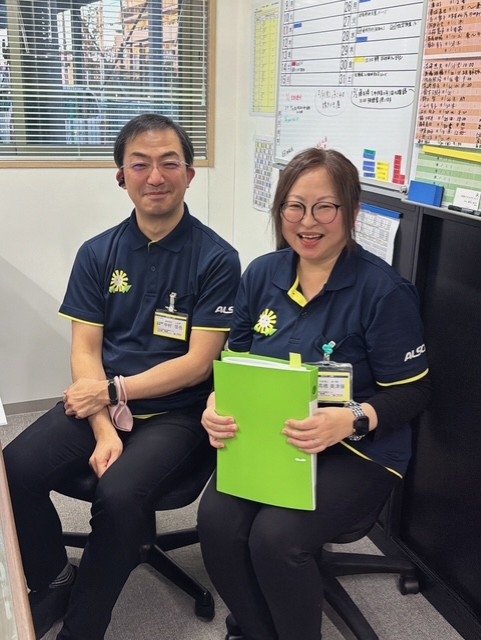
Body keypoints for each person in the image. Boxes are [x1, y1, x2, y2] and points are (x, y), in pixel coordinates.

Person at [3, 113, 241, 640]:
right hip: (100, 402)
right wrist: (103, 424)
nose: (155, 176)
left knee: (119, 493)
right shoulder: (98, 253)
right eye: (140, 164)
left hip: (177, 413)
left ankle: (83, 628)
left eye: (169, 163)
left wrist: (114, 392)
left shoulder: (217, 259)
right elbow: (85, 349)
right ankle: (54, 579)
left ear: (189, 175)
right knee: (13, 468)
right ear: (121, 176)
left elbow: (198, 363)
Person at [197, 147, 431, 640]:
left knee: (276, 538)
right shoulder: (262, 274)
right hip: (273, 436)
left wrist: (350, 418)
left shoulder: (383, 291)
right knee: (217, 523)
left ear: (352, 211)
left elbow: (413, 393)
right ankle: (258, 629)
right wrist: (216, 404)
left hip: (358, 448)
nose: (308, 222)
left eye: (325, 207)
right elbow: (235, 361)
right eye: (295, 206)